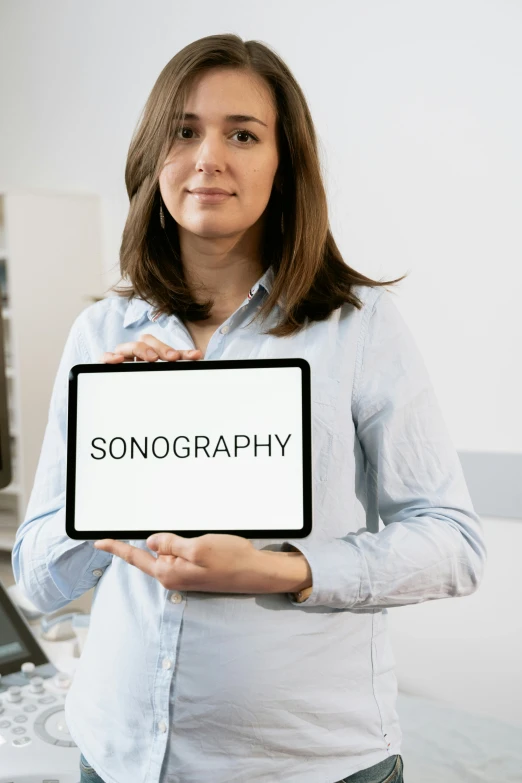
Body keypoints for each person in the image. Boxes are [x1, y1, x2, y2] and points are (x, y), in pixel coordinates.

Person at [12, 33, 486, 783]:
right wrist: (116, 452)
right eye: (184, 130)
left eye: (242, 134)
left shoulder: (358, 327)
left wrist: (276, 568)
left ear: (284, 164)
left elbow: (455, 544)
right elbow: (38, 576)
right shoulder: (101, 334)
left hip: (310, 766)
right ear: (153, 157)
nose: (208, 158)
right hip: (119, 755)